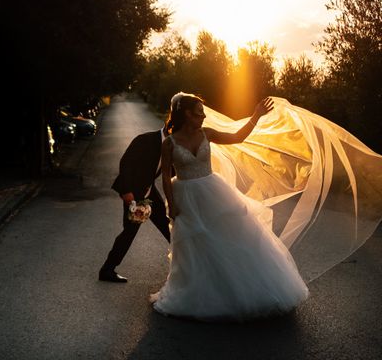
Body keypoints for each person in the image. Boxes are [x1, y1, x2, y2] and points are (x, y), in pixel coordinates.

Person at [150, 93, 309, 320]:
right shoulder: (169, 143)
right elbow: (165, 176)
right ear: (186, 114)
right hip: (186, 196)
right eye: (199, 113)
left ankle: (241, 289)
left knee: (229, 240)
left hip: (214, 193)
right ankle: (201, 292)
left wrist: (255, 116)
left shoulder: (208, 134)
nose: (203, 116)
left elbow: (237, 137)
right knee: (195, 246)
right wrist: (171, 205)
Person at [99, 126, 172, 282]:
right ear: (171, 128)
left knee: (169, 227)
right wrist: (126, 191)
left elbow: (172, 172)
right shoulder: (145, 140)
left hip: (149, 193)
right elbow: (125, 163)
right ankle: (107, 270)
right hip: (134, 195)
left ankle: (184, 268)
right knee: (130, 232)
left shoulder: (172, 146)